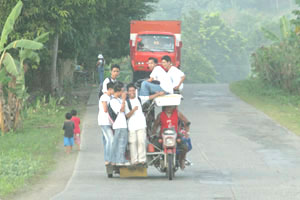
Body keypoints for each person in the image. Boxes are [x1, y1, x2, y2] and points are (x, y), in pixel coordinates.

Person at [125, 83, 164, 165]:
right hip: (131, 125)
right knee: (133, 142)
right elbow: (126, 115)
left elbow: (149, 97)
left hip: (141, 124)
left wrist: (158, 94)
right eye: (130, 91)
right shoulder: (125, 102)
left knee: (141, 141)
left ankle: (142, 160)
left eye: (133, 90)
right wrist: (133, 110)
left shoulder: (139, 99)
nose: (132, 92)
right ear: (127, 92)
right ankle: (134, 160)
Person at [110, 82, 130, 166]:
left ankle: (120, 159)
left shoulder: (119, 100)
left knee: (123, 143)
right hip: (118, 125)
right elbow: (121, 110)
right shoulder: (113, 101)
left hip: (123, 124)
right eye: (122, 91)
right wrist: (124, 99)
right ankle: (118, 160)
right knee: (119, 143)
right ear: (118, 91)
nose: (123, 93)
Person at [98, 82, 115, 166]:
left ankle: (110, 159)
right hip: (104, 121)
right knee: (110, 140)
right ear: (110, 89)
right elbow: (105, 109)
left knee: (110, 140)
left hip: (109, 122)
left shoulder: (110, 97)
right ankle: (108, 159)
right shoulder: (104, 97)